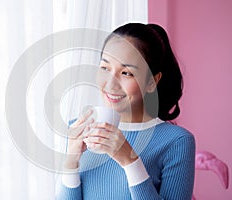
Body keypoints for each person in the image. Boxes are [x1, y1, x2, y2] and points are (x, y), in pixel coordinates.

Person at [56, 23, 196, 200]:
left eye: (126, 73)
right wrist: (71, 161)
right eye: (105, 68)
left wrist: (130, 162)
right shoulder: (78, 129)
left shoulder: (177, 141)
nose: (110, 83)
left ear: (152, 81)